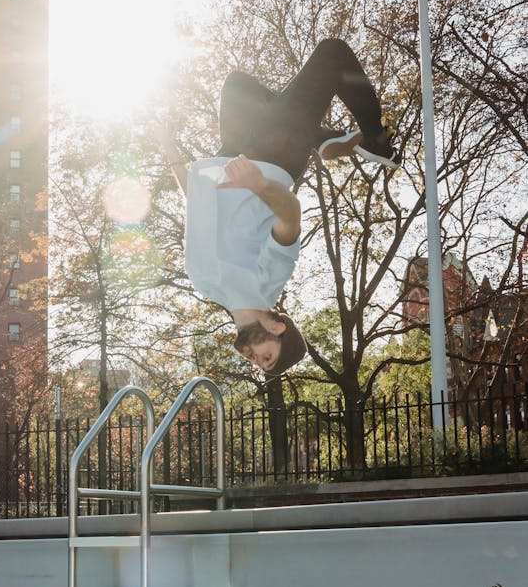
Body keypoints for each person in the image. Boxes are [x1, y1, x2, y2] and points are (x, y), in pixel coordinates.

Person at [164, 38, 400, 377]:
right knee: (331, 54)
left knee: (237, 84)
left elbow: (197, 204)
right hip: (275, 157)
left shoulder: (205, 282)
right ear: (278, 329)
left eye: (260, 365)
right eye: (268, 358)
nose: (257, 361)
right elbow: (290, 214)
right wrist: (256, 184)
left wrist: (168, 148)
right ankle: (376, 139)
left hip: (230, 156)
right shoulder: (267, 284)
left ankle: (318, 137)